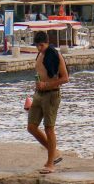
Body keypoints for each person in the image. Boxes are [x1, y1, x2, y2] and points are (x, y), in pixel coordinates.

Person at [28, 31, 69, 174]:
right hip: (38, 94)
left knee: (49, 128)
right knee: (31, 127)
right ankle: (55, 152)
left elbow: (65, 78)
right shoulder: (39, 55)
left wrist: (47, 85)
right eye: (37, 46)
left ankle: (50, 163)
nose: (39, 48)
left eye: (42, 45)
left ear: (47, 43)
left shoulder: (55, 55)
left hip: (51, 95)